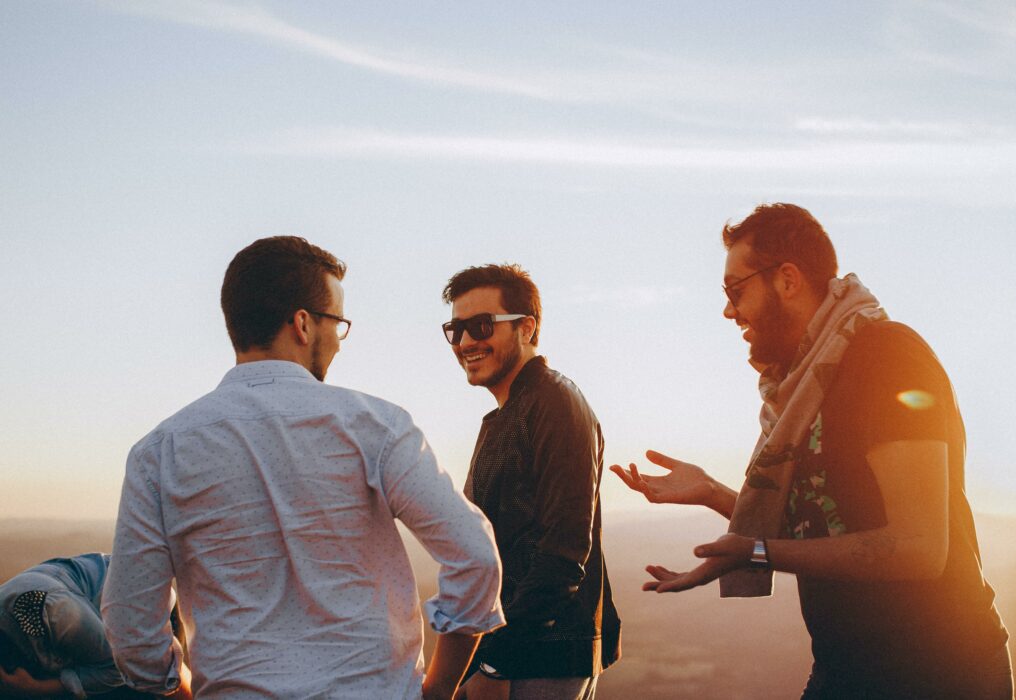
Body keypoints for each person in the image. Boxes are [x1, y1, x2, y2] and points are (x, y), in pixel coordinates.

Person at [612, 203, 1012, 698]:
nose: (728, 310)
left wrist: (757, 553)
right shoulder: (801, 389)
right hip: (843, 669)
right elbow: (824, 523)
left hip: (939, 671)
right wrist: (714, 493)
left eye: (735, 291)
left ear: (787, 279)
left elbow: (919, 548)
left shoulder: (888, 357)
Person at [102, 236, 504, 699]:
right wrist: (437, 689)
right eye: (338, 322)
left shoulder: (159, 453)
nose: (338, 340)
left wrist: (180, 689)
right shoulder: (375, 427)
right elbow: (474, 555)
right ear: (303, 324)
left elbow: (131, 623)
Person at [441, 264, 621, 700]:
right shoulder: (507, 415)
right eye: (455, 329)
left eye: (482, 326)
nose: (465, 342)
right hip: (513, 654)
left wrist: (494, 659)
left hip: (538, 658)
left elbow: (563, 551)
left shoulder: (554, 402)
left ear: (527, 328)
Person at [0, 553, 188, 699]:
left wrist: (36, 689)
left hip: (142, 602)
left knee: (151, 688)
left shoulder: (51, 610)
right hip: (93, 620)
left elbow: (116, 669)